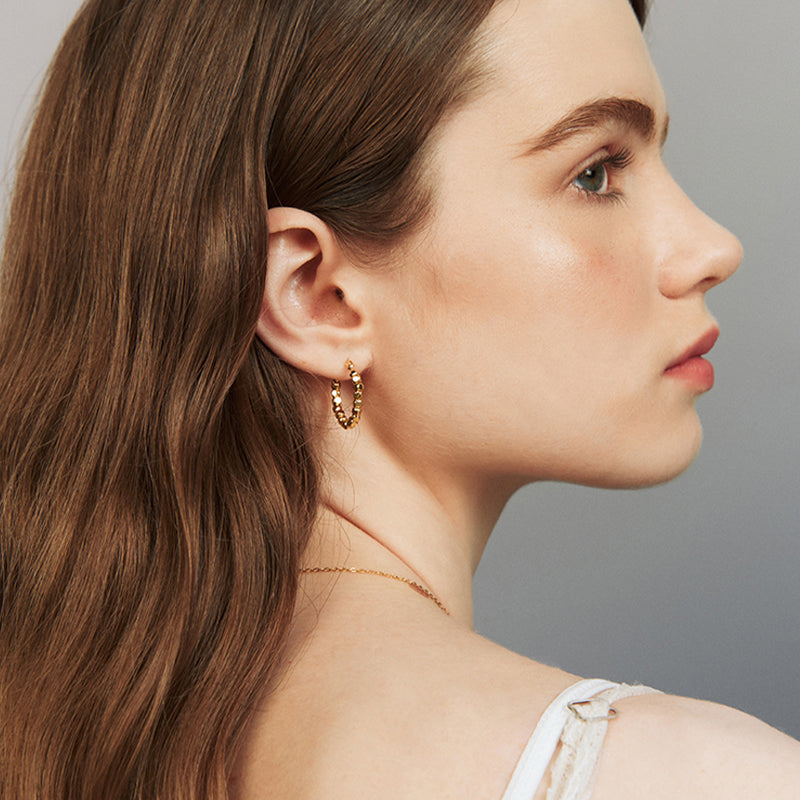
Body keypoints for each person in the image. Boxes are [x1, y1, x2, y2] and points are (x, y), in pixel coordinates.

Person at [1, 0, 798, 797]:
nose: (710, 247)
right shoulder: (694, 777)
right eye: (596, 172)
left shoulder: (56, 731)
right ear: (318, 297)